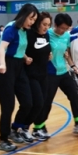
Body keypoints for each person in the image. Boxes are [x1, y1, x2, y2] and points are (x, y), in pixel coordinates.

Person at [35, 13, 78, 136]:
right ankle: (39, 127)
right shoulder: (47, 34)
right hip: (50, 72)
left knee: (75, 95)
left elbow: (67, 53)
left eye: (66, 28)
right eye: (61, 28)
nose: (63, 31)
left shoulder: (66, 36)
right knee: (47, 101)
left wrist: (72, 65)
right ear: (55, 25)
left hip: (63, 71)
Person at [0, 3, 39, 151]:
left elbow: (17, 47)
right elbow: (2, 47)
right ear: (23, 15)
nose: (32, 22)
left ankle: (15, 129)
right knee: (8, 106)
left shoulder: (23, 30)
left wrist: (25, 57)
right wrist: (2, 64)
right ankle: (3, 140)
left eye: (34, 20)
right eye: (31, 18)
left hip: (19, 67)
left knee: (27, 102)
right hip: (5, 68)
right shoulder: (11, 28)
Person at [24, 11, 52, 142]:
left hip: (43, 74)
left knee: (43, 103)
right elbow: (20, 49)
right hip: (31, 74)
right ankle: (24, 128)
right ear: (37, 23)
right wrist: (25, 57)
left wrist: (49, 55)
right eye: (44, 24)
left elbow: (46, 49)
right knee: (37, 103)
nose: (46, 27)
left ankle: (36, 130)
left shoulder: (46, 36)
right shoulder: (29, 34)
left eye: (48, 25)